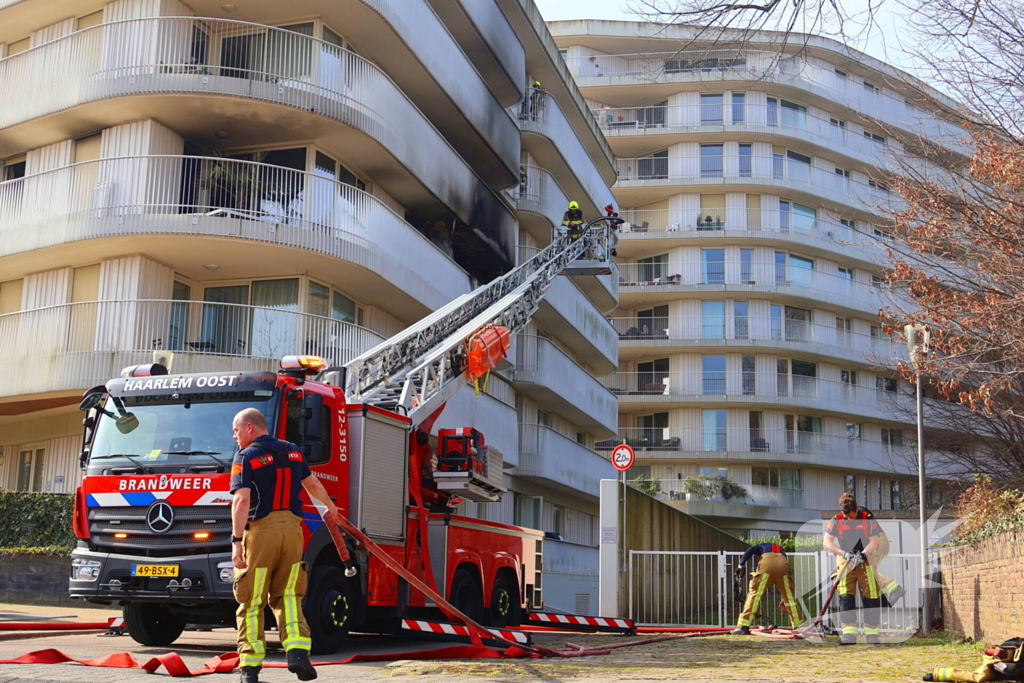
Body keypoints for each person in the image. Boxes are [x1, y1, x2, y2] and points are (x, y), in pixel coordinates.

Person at [230, 408, 339, 683]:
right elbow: (312, 483)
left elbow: (242, 500)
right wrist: (330, 506)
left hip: (261, 532)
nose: (235, 436)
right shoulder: (293, 451)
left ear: (250, 427)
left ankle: (250, 669)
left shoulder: (246, 456)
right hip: (292, 530)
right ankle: (298, 654)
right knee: (289, 595)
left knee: (252, 601)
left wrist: (236, 541)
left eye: (236, 430)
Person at [823, 493, 882, 645]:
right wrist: (844, 554)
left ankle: (872, 635)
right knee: (846, 598)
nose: (848, 518)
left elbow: (874, 541)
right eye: (845, 515)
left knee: (871, 597)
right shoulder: (836, 520)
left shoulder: (867, 518)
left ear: (856, 509)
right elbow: (827, 542)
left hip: (866, 562)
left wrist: (863, 554)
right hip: (845, 563)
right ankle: (849, 635)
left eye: (851, 515)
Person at [730, 541, 803, 635]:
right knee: (789, 597)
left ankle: (743, 627)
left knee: (755, 595)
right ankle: (799, 626)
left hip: (767, 566)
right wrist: (783, 598)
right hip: (782, 565)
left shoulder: (761, 546)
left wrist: (741, 564)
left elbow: (751, 549)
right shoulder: (780, 549)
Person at [923, 636, 1024, 681]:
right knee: (979, 676)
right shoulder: (993, 666)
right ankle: (938, 674)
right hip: (1004, 661)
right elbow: (977, 677)